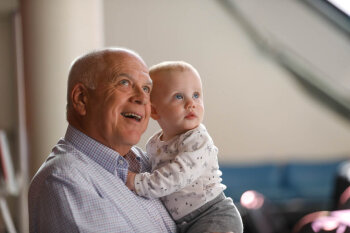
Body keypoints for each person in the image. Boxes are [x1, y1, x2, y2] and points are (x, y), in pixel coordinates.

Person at [28, 48, 177, 233]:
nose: (142, 98)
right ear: (81, 99)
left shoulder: (145, 160)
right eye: (124, 83)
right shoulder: (64, 179)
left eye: (146, 88)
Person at [126, 61, 243, 233]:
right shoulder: (154, 143)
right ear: (155, 111)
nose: (191, 104)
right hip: (185, 223)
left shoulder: (198, 140)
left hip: (213, 215)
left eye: (196, 95)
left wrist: (137, 182)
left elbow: (176, 176)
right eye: (179, 97)